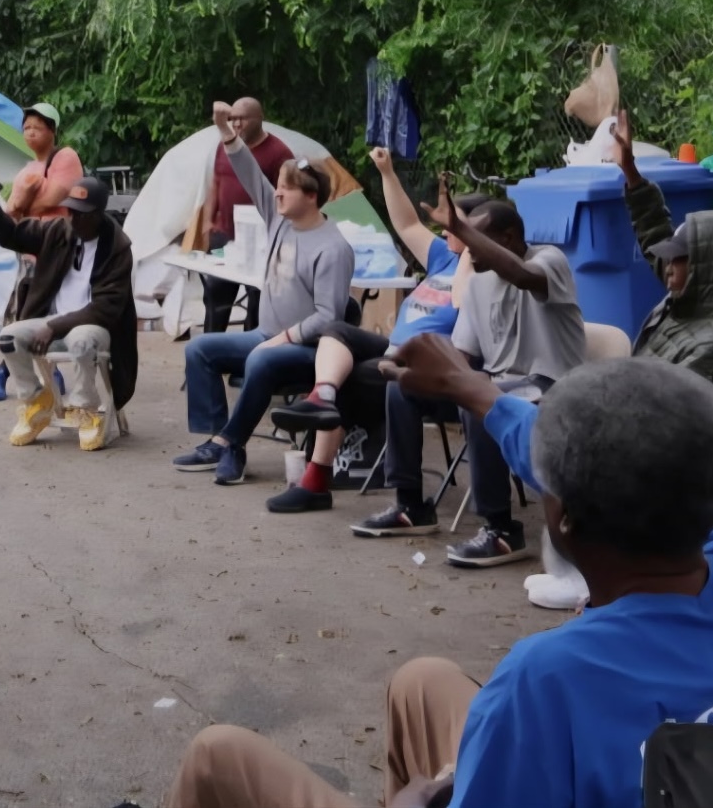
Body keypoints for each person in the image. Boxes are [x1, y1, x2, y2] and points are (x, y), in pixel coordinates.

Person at [166, 342, 713, 808]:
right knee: (420, 682)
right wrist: (474, 389)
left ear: (561, 518)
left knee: (218, 753)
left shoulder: (551, 680)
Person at [353, 179, 584, 565]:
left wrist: (459, 228)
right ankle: (411, 506)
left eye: (474, 240)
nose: (464, 249)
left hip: (554, 390)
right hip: (503, 385)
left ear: (508, 238)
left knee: (483, 401)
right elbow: (461, 353)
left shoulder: (548, 260)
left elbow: (523, 276)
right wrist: (412, 371)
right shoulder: (478, 283)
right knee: (405, 390)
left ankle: (502, 529)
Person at [267, 150, 487, 514]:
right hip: (394, 348)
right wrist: (386, 172)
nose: (445, 228)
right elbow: (406, 224)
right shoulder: (442, 255)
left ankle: (316, 479)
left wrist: (471, 252)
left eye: (455, 223)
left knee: (350, 377)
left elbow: (463, 303)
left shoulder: (483, 269)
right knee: (337, 331)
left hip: (431, 362)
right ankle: (320, 395)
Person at [174, 102, 354, 485]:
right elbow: (249, 172)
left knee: (259, 361)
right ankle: (224, 442)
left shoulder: (333, 248)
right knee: (199, 349)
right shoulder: (279, 220)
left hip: (309, 350)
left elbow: (330, 317)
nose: (276, 194)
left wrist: (283, 339)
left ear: (310, 196)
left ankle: (228, 442)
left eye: (286, 189)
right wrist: (225, 130)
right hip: (265, 335)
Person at [611, 108, 713, 435]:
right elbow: (655, 232)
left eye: (677, 258)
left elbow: (664, 409)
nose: (668, 265)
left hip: (691, 463)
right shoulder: (692, 296)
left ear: (704, 267)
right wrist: (629, 169)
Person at [0, 175, 139, 451]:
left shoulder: (117, 248)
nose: (73, 219)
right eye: (69, 211)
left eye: (81, 214)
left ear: (99, 214)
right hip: (55, 320)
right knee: (8, 337)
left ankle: (86, 409)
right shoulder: (58, 230)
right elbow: (13, 235)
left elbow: (104, 309)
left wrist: (54, 327)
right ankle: (36, 400)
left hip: (97, 325)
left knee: (81, 340)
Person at [198, 97, 296, 333]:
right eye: (232, 119)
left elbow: (288, 194)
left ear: (260, 119)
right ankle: (212, 348)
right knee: (216, 293)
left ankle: (248, 357)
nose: (237, 124)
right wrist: (208, 219)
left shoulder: (278, 152)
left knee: (258, 299)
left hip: (260, 242)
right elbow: (215, 182)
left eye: (242, 118)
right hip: (223, 236)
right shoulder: (224, 145)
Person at [6, 101, 84, 220]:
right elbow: (9, 210)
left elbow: (50, 200)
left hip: (57, 234)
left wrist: (20, 208)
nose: (31, 133)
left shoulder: (66, 156)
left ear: (52, 131)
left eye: (37, 128)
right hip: (28, 235)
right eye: (27, 128)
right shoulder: (25, 171)